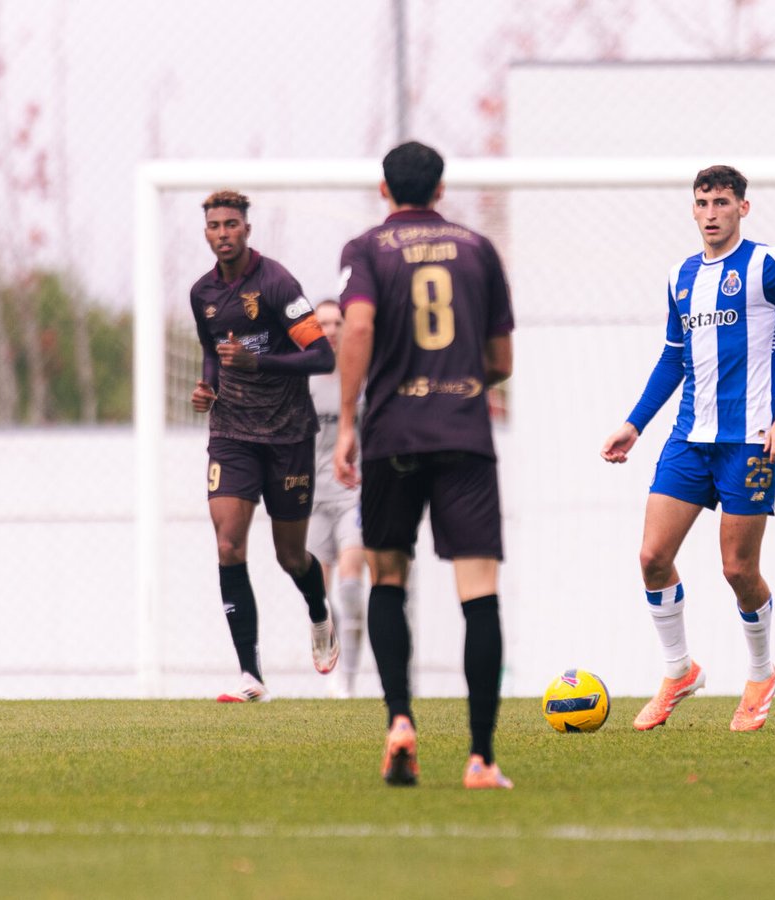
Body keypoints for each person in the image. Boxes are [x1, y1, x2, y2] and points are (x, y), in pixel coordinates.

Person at [600, 165, 775, 733]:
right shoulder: (681, 275)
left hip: (751, 443)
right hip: (688, 439)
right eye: (702, 202)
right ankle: (679, 670)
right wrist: (634, 423)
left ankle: (759, 673)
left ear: (742, 208)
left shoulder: (767, 264)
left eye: (721, 202)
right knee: (652, 557)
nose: (710, 212)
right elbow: (672, 359)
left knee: (737, 568)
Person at [334, 141, 515, 789]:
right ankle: (480, 758)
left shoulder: (365, 250)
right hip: (464, 432)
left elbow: (356, 329)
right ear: (440, 191)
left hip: (392, 435)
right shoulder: (477, 250)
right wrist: (459, 377)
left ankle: (400, 722)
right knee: (479, 590)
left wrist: (349, 421)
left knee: (388, 576)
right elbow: (501, 361)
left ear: (384, 189)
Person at [188, 189, 339, 703]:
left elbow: (322, 358)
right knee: (228, 543)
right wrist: (207, 385)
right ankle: (250, 674)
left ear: (247, 229)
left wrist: (262, 363)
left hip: (288, 434)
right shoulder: (202, 294)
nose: (223, 233)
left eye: (231, 224)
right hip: (231, 433)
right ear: (206, 232)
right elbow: (213, 353)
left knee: (290, 556)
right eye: (214, 226)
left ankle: (319, 612)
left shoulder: (276, 283)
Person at [306, 298, 370, 699]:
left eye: (337, 322)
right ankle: (327, 644)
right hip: (312, 499)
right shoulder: (303, 381)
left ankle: (346, 681)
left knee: (350, 587)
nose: (330, 330)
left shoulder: (362, 378)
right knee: (319, 597)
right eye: (323, 323)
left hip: (353, 495)